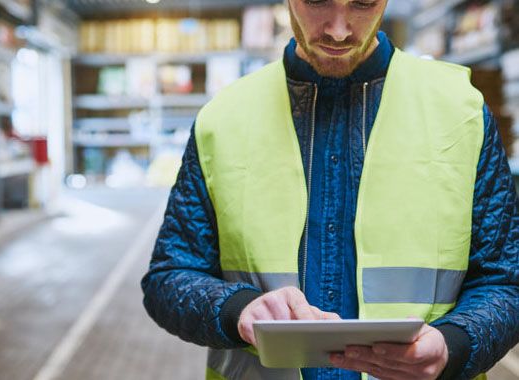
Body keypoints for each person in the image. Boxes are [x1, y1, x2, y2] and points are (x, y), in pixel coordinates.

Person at [141, 0, 519, 379]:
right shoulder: (223, 119)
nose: (339, 30)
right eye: (318, 1)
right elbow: (171, 275)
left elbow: (506, 281)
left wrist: (453, 345)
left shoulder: (461, 113)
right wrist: (236, 309)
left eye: (362, 3)